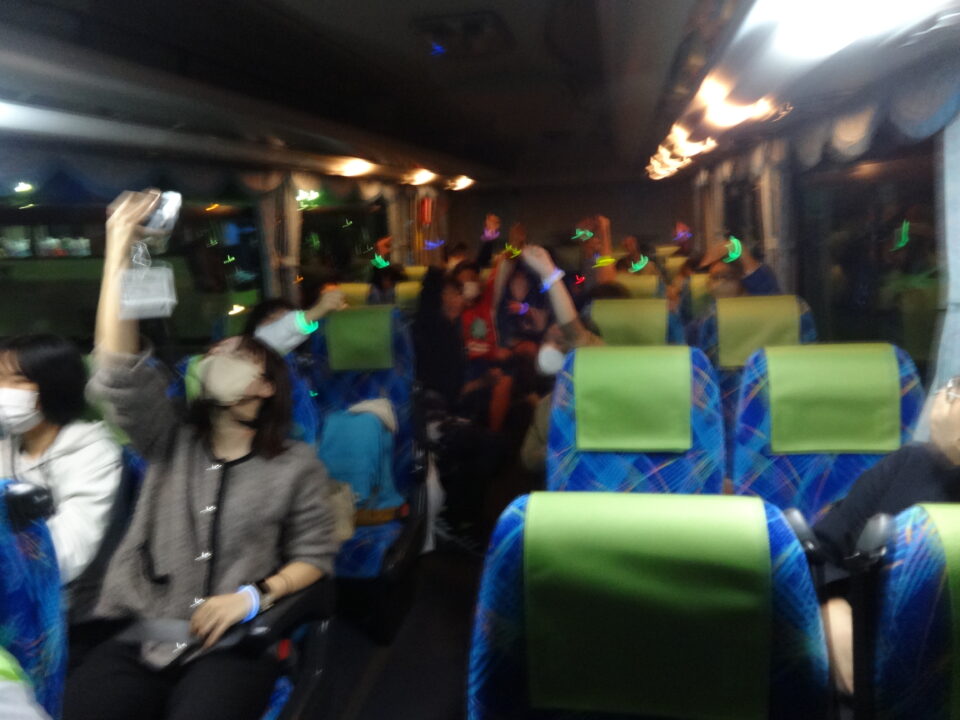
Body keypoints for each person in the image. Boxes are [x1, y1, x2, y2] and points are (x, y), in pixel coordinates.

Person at [65, 190, 338, 720]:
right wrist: (119, 245)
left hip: (233, 641)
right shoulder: (168, 440)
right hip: (145, 635)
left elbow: (315, 556)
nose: (219, 357)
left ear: (266, 387)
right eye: (215, 354)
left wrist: (254, 597)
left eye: (238, 356)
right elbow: (116, 369)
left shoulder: (295, 465)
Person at [814, 379, 960, 697]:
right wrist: (831, 605)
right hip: (870, 674)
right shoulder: (910, 464)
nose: (946, 396)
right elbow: (820, 549)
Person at [0, 334, 122, 593]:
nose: (3, 390)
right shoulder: (6, 449)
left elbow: (69, 549)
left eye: (18, 381)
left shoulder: (92, 453)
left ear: (55, 386)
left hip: (76, 601)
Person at [518, 246, 605, 474]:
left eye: (561, 342)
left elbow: (574, 331)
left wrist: (549, 274)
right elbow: (528, 458)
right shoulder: (546, 406)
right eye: (549, 340)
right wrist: (561, 451)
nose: (552, 348)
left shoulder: (600, 371)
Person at [700, 237, 781, 295]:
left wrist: (737, 247)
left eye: (725, 276)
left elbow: (764, 286)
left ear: (740, 280)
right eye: (715, 277)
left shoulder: (757, 306)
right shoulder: (706, 311)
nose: (720, 283)